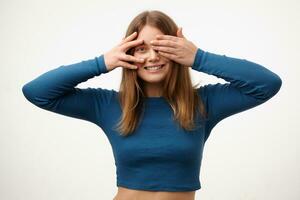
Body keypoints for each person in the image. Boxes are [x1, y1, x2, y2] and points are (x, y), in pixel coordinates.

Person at [22, 10, 282, 200]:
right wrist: (103, 62)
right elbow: (37, 92)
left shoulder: (203, 103)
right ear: (129, 53)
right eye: (141, 48)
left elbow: (267, 84)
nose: (153, 56)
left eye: (161, 46)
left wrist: (198, 57)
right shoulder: (109, 104)